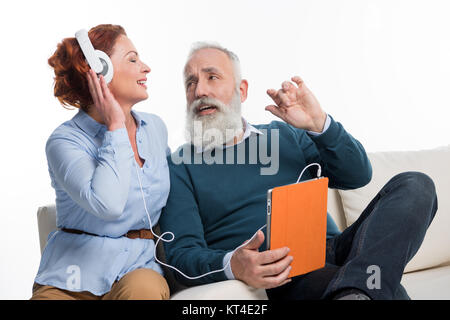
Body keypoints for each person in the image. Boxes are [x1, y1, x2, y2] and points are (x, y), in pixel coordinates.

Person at [158, 42, 438, 300]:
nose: (199, 91)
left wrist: (319, 124)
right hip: (281, 268)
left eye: (212, 77)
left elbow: (357, 175)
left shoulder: (284, 134)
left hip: (335, 248)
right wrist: (233, 264)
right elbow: (182, 256)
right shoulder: (180, 164)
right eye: (190, 82)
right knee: (388, 290)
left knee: (416, 185)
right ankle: (362, 288)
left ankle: (357, 289)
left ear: (241, 90)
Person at [31, 24, 170, 300]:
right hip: (70, 280)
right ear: (101, 71)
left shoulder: (155, 128)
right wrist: (115, 126)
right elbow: (109, 205)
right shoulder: (64, 141)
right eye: (133, 59)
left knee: (145, 290)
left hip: (137, 270)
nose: (146, 68)